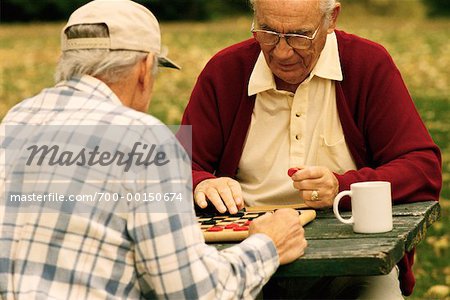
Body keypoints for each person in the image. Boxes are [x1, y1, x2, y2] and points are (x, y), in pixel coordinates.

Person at [0, 0, 308, 299]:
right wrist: (268, 245)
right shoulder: (144, 140)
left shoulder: (15, 121)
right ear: (145, 69)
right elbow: (195, 292)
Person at [179, 0, 442, 298]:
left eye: (298, 36)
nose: (281, 51)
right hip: (246, 253)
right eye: (267, 31)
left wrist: (341, 187)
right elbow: (174, 171)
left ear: (331, 20)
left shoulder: (366, 63)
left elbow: (422, 167)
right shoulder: (226, 70)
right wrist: (203, 182)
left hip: (352, 259)